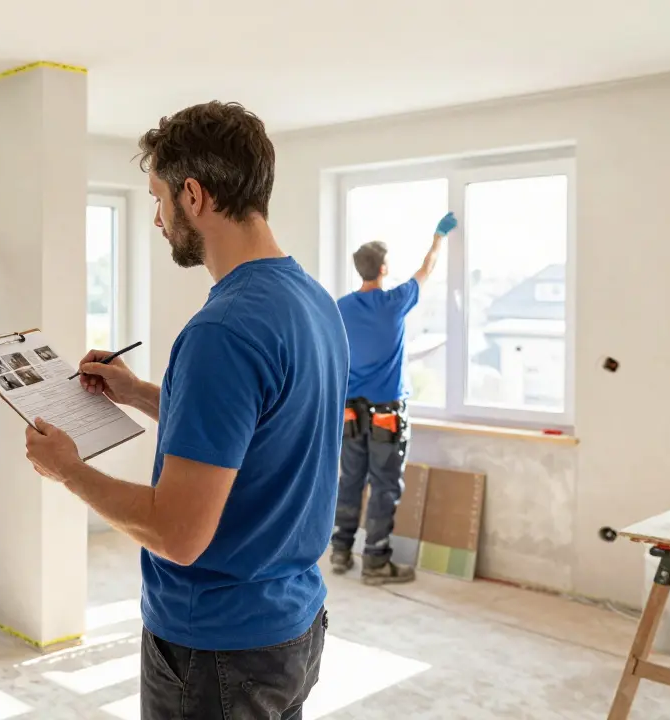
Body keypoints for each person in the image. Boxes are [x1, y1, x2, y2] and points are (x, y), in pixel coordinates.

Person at [23, 101, 348, 719]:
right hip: (291, 629)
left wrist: (68, 470)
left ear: (193, 195)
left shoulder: (221, 331)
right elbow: (263, 429)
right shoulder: (312, 300)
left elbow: (177, 534)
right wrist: (140, 393)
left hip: (218, 650)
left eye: (158, 198)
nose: (157, 218)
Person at [328, 213, 456, 585]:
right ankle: (375, 562)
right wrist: (438, 237)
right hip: (386, 412)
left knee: (350, 480)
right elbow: (426, 269)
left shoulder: (340, 307)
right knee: (384, 485)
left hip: (350, 411)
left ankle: (340, 551)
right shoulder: (395, 301)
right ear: (383, 269)